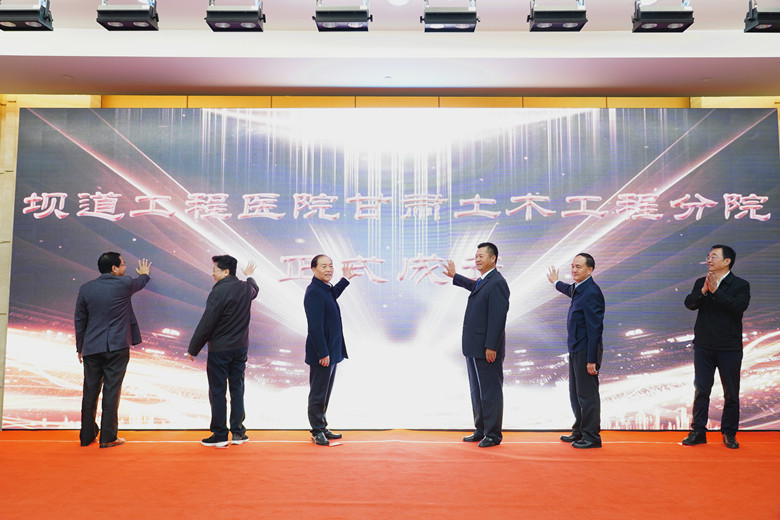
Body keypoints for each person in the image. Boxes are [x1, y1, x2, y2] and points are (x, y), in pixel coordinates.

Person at [74, 252, 151, 448]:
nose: (125, 267)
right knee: (111, 391)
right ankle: (108, 437)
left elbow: (80, 320)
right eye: (123, 264)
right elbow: (141, 282)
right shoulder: (124, 283)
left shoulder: (86, 288)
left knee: (90, 391)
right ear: (114, 268)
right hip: (116, 347)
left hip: (91, 347)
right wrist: (144, 273)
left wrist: (80, 347)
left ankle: (86, 436)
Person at [682, 245, 750, 449]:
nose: (709, 260)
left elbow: (738, 307)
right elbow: (690, 304)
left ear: (727, 261)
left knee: (731, 393)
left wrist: (717, 292)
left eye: (714, 256)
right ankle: (698, 432)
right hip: (704, 346)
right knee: (701, 390)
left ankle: (729, 433)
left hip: (729, 348)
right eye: (708, 256)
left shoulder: (740, 284)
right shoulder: (700, 282)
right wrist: (703, 291)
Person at [443, 242, 510, 448]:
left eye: (482, 256)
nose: (477, 259)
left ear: (493, 258)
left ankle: (493, 434)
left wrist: (491, 346)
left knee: (490, 391)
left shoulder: (497, 282)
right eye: (476, 256)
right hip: (474, 347)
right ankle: (481, 429)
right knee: (477, 391)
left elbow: (498, 318)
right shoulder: (484, 280)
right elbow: (474, 287)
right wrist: (455, 276)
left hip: (486, 349)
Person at [188, 255, 258, 448]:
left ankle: (219, 435)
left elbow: (207, 322)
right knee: (237, 389)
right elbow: (255, 288)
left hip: (220, 350)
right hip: (240, 349)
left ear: (226, 272)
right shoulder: (246, 288)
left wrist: (194, 347)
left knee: (218, 391)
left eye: (215, 270)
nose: (212, 274)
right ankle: (238, 432)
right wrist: (249, 275)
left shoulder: (218, 291)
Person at [547, 253, 605, 449]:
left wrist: (592, 359)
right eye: (572, 266)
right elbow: (568, 289)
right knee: (576, 394)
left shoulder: (592, 292)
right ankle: (579, 430)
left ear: (590, 270)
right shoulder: (580, 289)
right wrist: (555, 282)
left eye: (578, 267)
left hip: (586, 351)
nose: (574, 270)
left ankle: (591, 436)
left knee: (587, 396)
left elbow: (595, 329)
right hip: (575, 350)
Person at [304, 255, 357, 446]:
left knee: (325, 392)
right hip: (323, 354)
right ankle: (316, 430)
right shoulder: (313, 292)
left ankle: (322, 425)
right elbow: (315, 327)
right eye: (324, 266)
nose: (328, 269)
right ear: (313, 269)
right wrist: (322, 353)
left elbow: (333, 294)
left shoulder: (324, 288)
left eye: (330, 266)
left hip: (331, 351)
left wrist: (346, 278)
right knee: (318, 393)